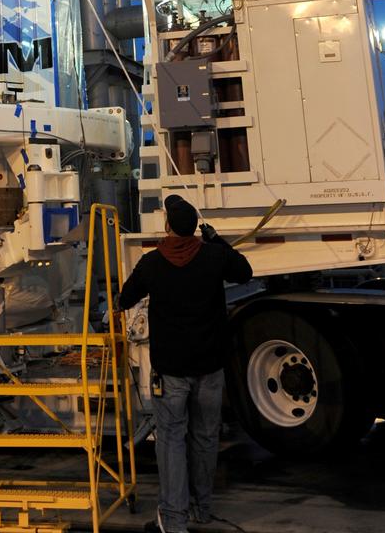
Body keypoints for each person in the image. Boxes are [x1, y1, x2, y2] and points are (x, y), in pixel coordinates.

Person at [118, 194, 252, 533]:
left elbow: (125, 298)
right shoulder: (214, 256)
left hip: (172, 370)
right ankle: (200, 508)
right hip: (210, 367)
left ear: (167, 227)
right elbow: (244, 271)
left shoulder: (152, 263)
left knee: (171, 440)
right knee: (205, 437)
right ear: (195, 227)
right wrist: (215, 237)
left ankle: (173, 519)